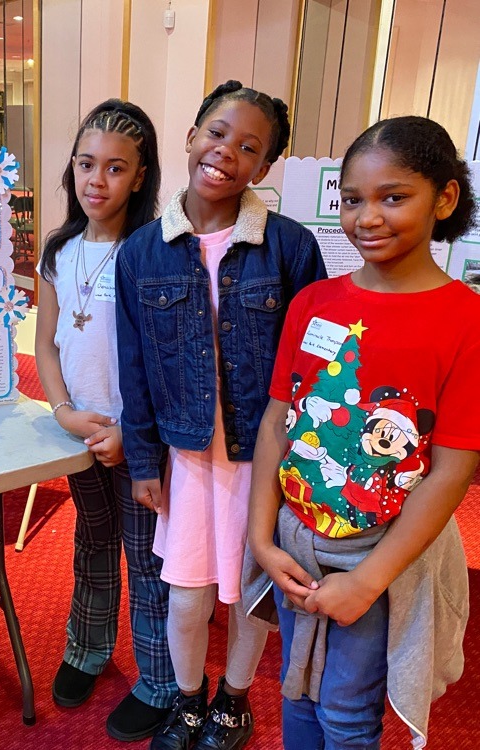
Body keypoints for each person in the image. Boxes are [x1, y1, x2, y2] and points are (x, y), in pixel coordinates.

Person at [246, 115, 480, 749]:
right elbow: (277, 422)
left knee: (347, 712)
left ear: (445, 198)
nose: (367, 217)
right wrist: (262, 539)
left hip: (381, 553)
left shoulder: (465, 319)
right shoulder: (313, 303)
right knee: (295, 689)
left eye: (393, 197)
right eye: (352, 199)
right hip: (296, 542)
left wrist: (368, 580)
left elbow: (454, 467)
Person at [115, 80, 326, 750]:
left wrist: (305, 460)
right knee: (187, 592)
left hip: (262, 457)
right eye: (215, 132)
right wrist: (144, 461)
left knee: (249, 590)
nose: (225, 152)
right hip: (184, 457)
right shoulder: (142, 251)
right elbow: (135, 368)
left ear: (263, 168)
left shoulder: (289, 246)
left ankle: (234, 701)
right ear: (190, 135)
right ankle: (187, 699)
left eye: (248, 147)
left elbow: (315, 363)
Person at [36, 98, 179, 741]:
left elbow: (164, 357)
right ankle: (87, 650)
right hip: (79, 432)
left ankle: (158, 681)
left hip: (136, 439)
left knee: (147, 559)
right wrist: (63, 410)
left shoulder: (153, 251)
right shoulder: (60, 249)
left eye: (116, 168)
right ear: (72, 168)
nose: (98, 180)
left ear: (141, 176)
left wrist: (130, 433)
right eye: (87, 164)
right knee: (91, 545)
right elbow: (46, 343)